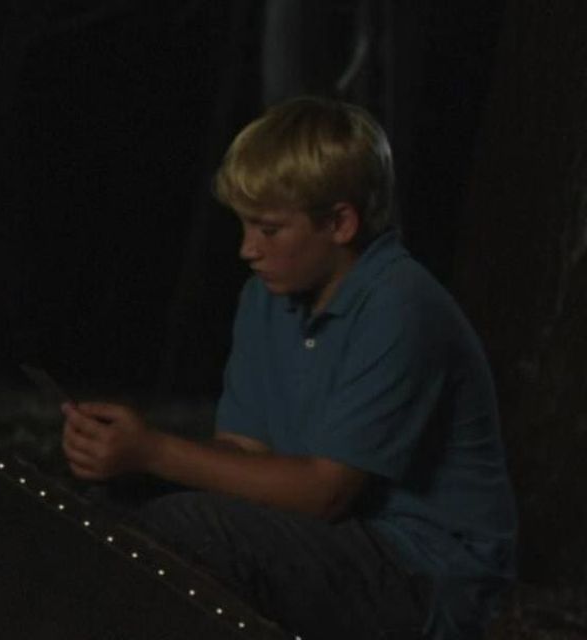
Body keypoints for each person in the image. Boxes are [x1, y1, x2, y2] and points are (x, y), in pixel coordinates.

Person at [59, 97, 516, 640]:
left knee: (190, 530)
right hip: (335, 537)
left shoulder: (400, 305)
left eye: (269, 230)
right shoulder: (268, 298)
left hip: (423, 567)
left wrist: (155, 451)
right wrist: (129, 458)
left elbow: (325, 493)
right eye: (245, 226)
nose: (247, 249)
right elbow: (244, 452)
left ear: (340, 223)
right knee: (116, 509)